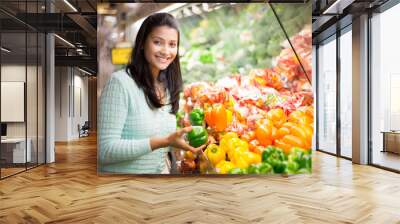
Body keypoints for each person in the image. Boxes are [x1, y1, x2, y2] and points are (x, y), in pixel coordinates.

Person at [98, 13, 206, 174]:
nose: (166, 51)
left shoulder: (167, 87)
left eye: (172, 44)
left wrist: (180, 141)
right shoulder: (120, 84)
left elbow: (161, 137)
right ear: (142, 43)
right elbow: (104, 151)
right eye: (157, 42)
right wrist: (163, 141)